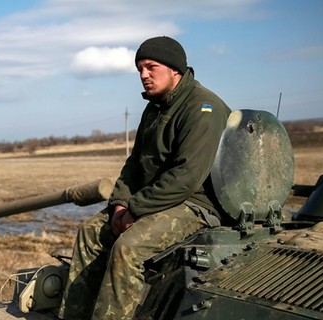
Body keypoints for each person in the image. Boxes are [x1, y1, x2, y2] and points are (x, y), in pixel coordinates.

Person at [59, 36, 232, 319]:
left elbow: (185, 178)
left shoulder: (203, 108)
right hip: (155, 199)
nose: (143, 75)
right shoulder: (154, 107)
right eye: (139, 68)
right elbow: (134, 164)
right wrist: (119, 204)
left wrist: (135, 209)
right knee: (90, 232)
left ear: (174, 68)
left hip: (196, 205)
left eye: (151, 67)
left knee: (128, 249)